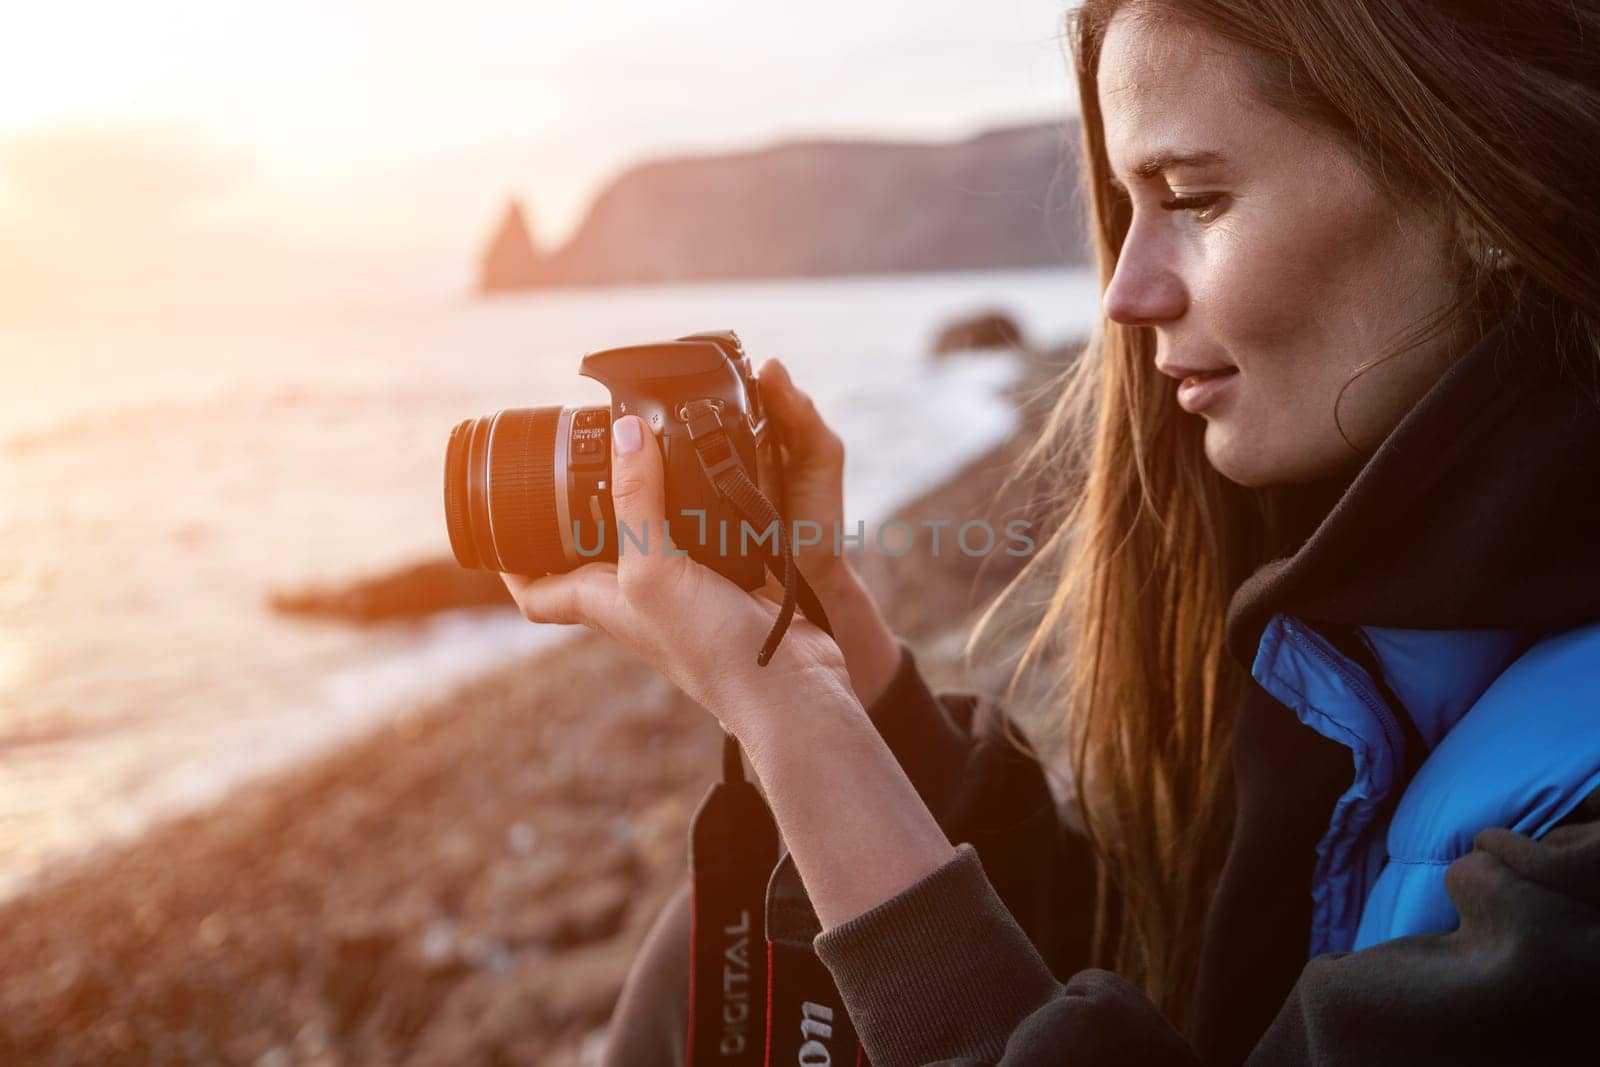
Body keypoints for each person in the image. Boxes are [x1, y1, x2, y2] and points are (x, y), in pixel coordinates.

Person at [504, 0, 1600, 1062]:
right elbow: (1151, 968)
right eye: (1127, 210)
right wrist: (818, 619)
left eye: (1197, 198)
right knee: (711, 945)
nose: (1124, 292)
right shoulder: (1378, 604)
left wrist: (784, 709)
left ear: (1482, 185)